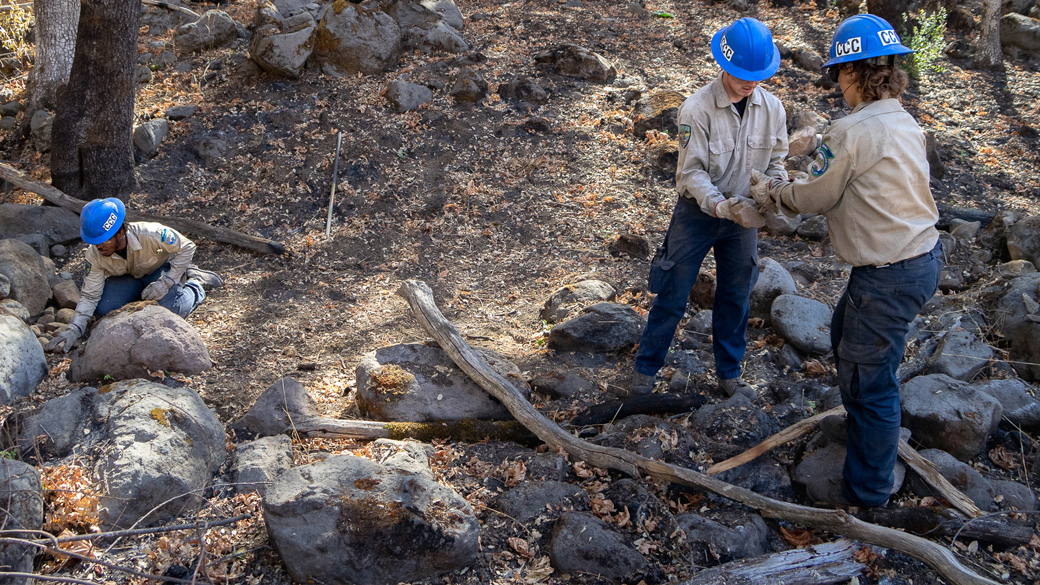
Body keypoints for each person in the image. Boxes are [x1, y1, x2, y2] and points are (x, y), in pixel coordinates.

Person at [750, 14, 943, 508]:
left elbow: (815, 197)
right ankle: (866, 436)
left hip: (888, 273)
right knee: (845, 337)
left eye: (838, 73)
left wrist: (772, 190)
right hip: (920, 259)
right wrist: (817, 142)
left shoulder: (853, 131)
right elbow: (861, 156)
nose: (836, 84)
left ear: (855, 72)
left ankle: (868, 497)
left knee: (870, 382)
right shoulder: (901, 118)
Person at [628, 17, 789, 397]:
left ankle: (729, 374)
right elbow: (691, 174)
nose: (751, 82)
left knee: (736, 296)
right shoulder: (696, 109)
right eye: (742, 73)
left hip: (744, 218)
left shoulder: (774, 109)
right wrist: (720, 206)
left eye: (758, 75)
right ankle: (645, 372)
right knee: (673, 293)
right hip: (697, 215)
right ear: (724, 63)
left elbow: (777, 160)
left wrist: (774, 189)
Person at [47, 197, 224, 353]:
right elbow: (89, 295)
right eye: (95, 242)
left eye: (104, 240)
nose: (99, 247)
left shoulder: (150, 233)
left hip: (159, 271)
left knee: (171, 309)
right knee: (105, 310)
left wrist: (168, 281)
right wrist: (74, 329)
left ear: (121, 232)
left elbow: (187, 247)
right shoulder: (94, 255)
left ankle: (196, 282)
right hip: (128, 279)